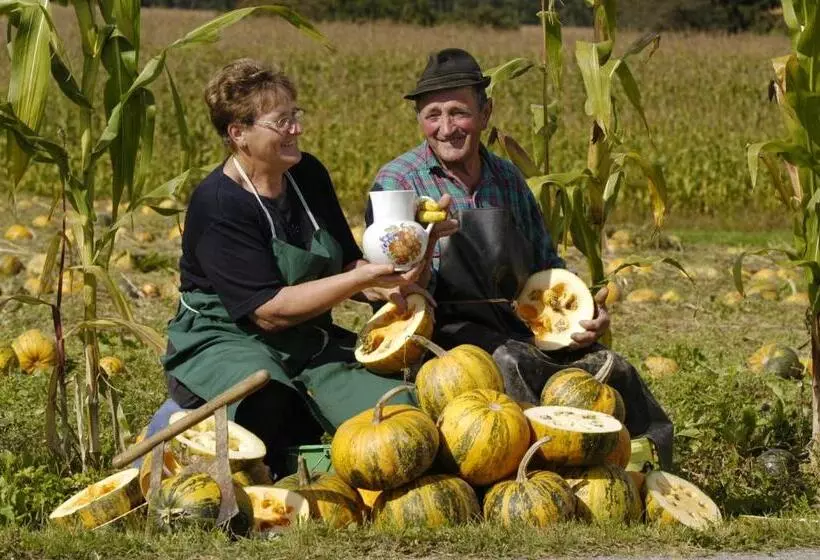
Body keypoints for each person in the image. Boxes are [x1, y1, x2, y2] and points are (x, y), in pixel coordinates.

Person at [367, 48, 674, 468]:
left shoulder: (507, 179)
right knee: (510, 362)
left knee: (609, 367)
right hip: (440, 337)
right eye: (432, 115)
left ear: (486, 112)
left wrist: (583, 315)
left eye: (459, 112)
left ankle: (640, 465)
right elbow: (393, 291)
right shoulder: (398, 182)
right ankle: (537, 471)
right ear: (419, 119)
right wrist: (425, 240)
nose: (445, 128)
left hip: (518, 325)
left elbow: (547, 267)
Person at [156, 59, 451, 477]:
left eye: (296, 116)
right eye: (282, 122)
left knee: (400, 411)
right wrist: (359, 278)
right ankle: (196, 434)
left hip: (308, 338)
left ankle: (317, 449)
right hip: (224, 339)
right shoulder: (218, 203)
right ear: (238, 133)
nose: (296, 129)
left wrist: (412, 255)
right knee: (266, 395)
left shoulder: (307, 174)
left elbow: (349, 263)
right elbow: (269, 312)